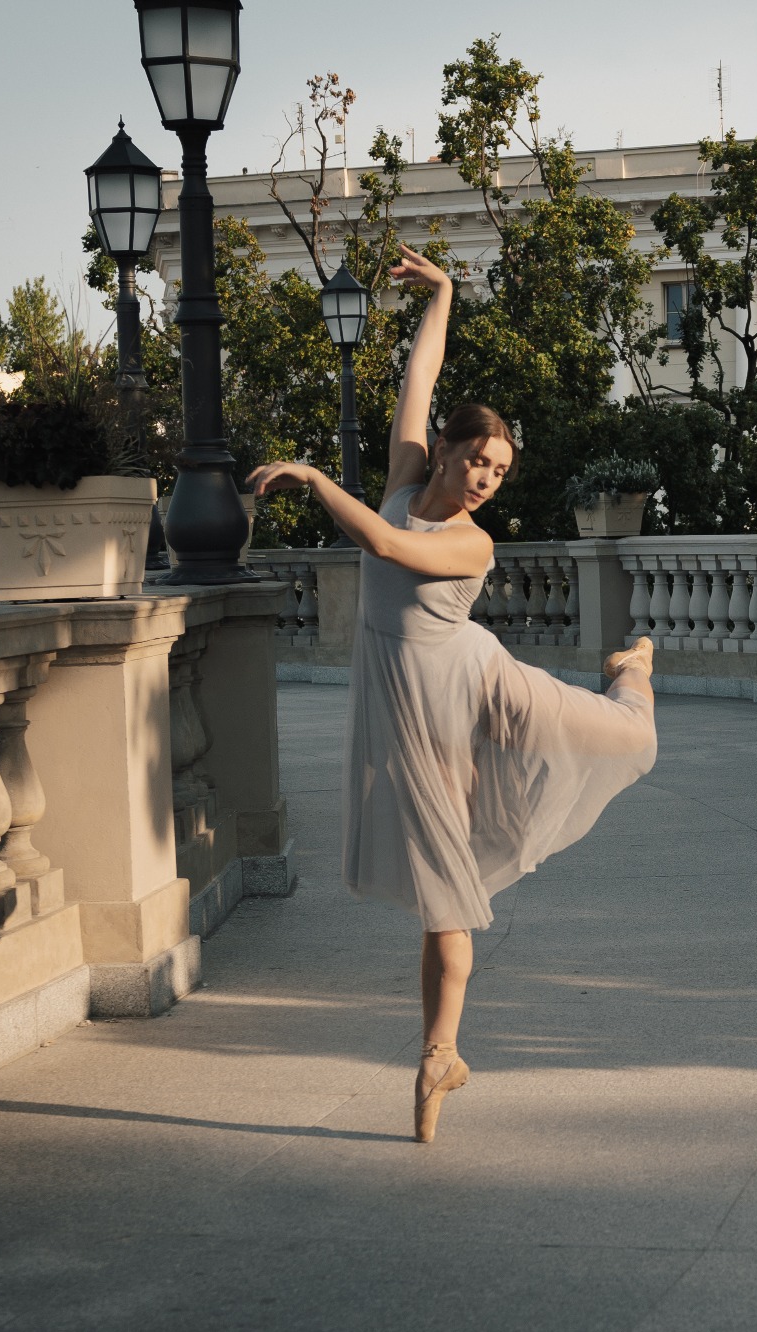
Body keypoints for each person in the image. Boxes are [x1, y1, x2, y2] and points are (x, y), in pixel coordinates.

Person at [247, 245, 658, 1143]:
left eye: (498, 470)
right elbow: (419, 377)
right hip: (403, 697)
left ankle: (634, 676)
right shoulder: (402, 484)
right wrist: (442, 293)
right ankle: (441, 1056)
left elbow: (389, 554)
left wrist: (316, 478)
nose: (483, 478)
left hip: (463, 694)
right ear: (443, 451)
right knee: (445, 889)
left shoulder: (472, 544)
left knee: (466, 873)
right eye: (476, 459)